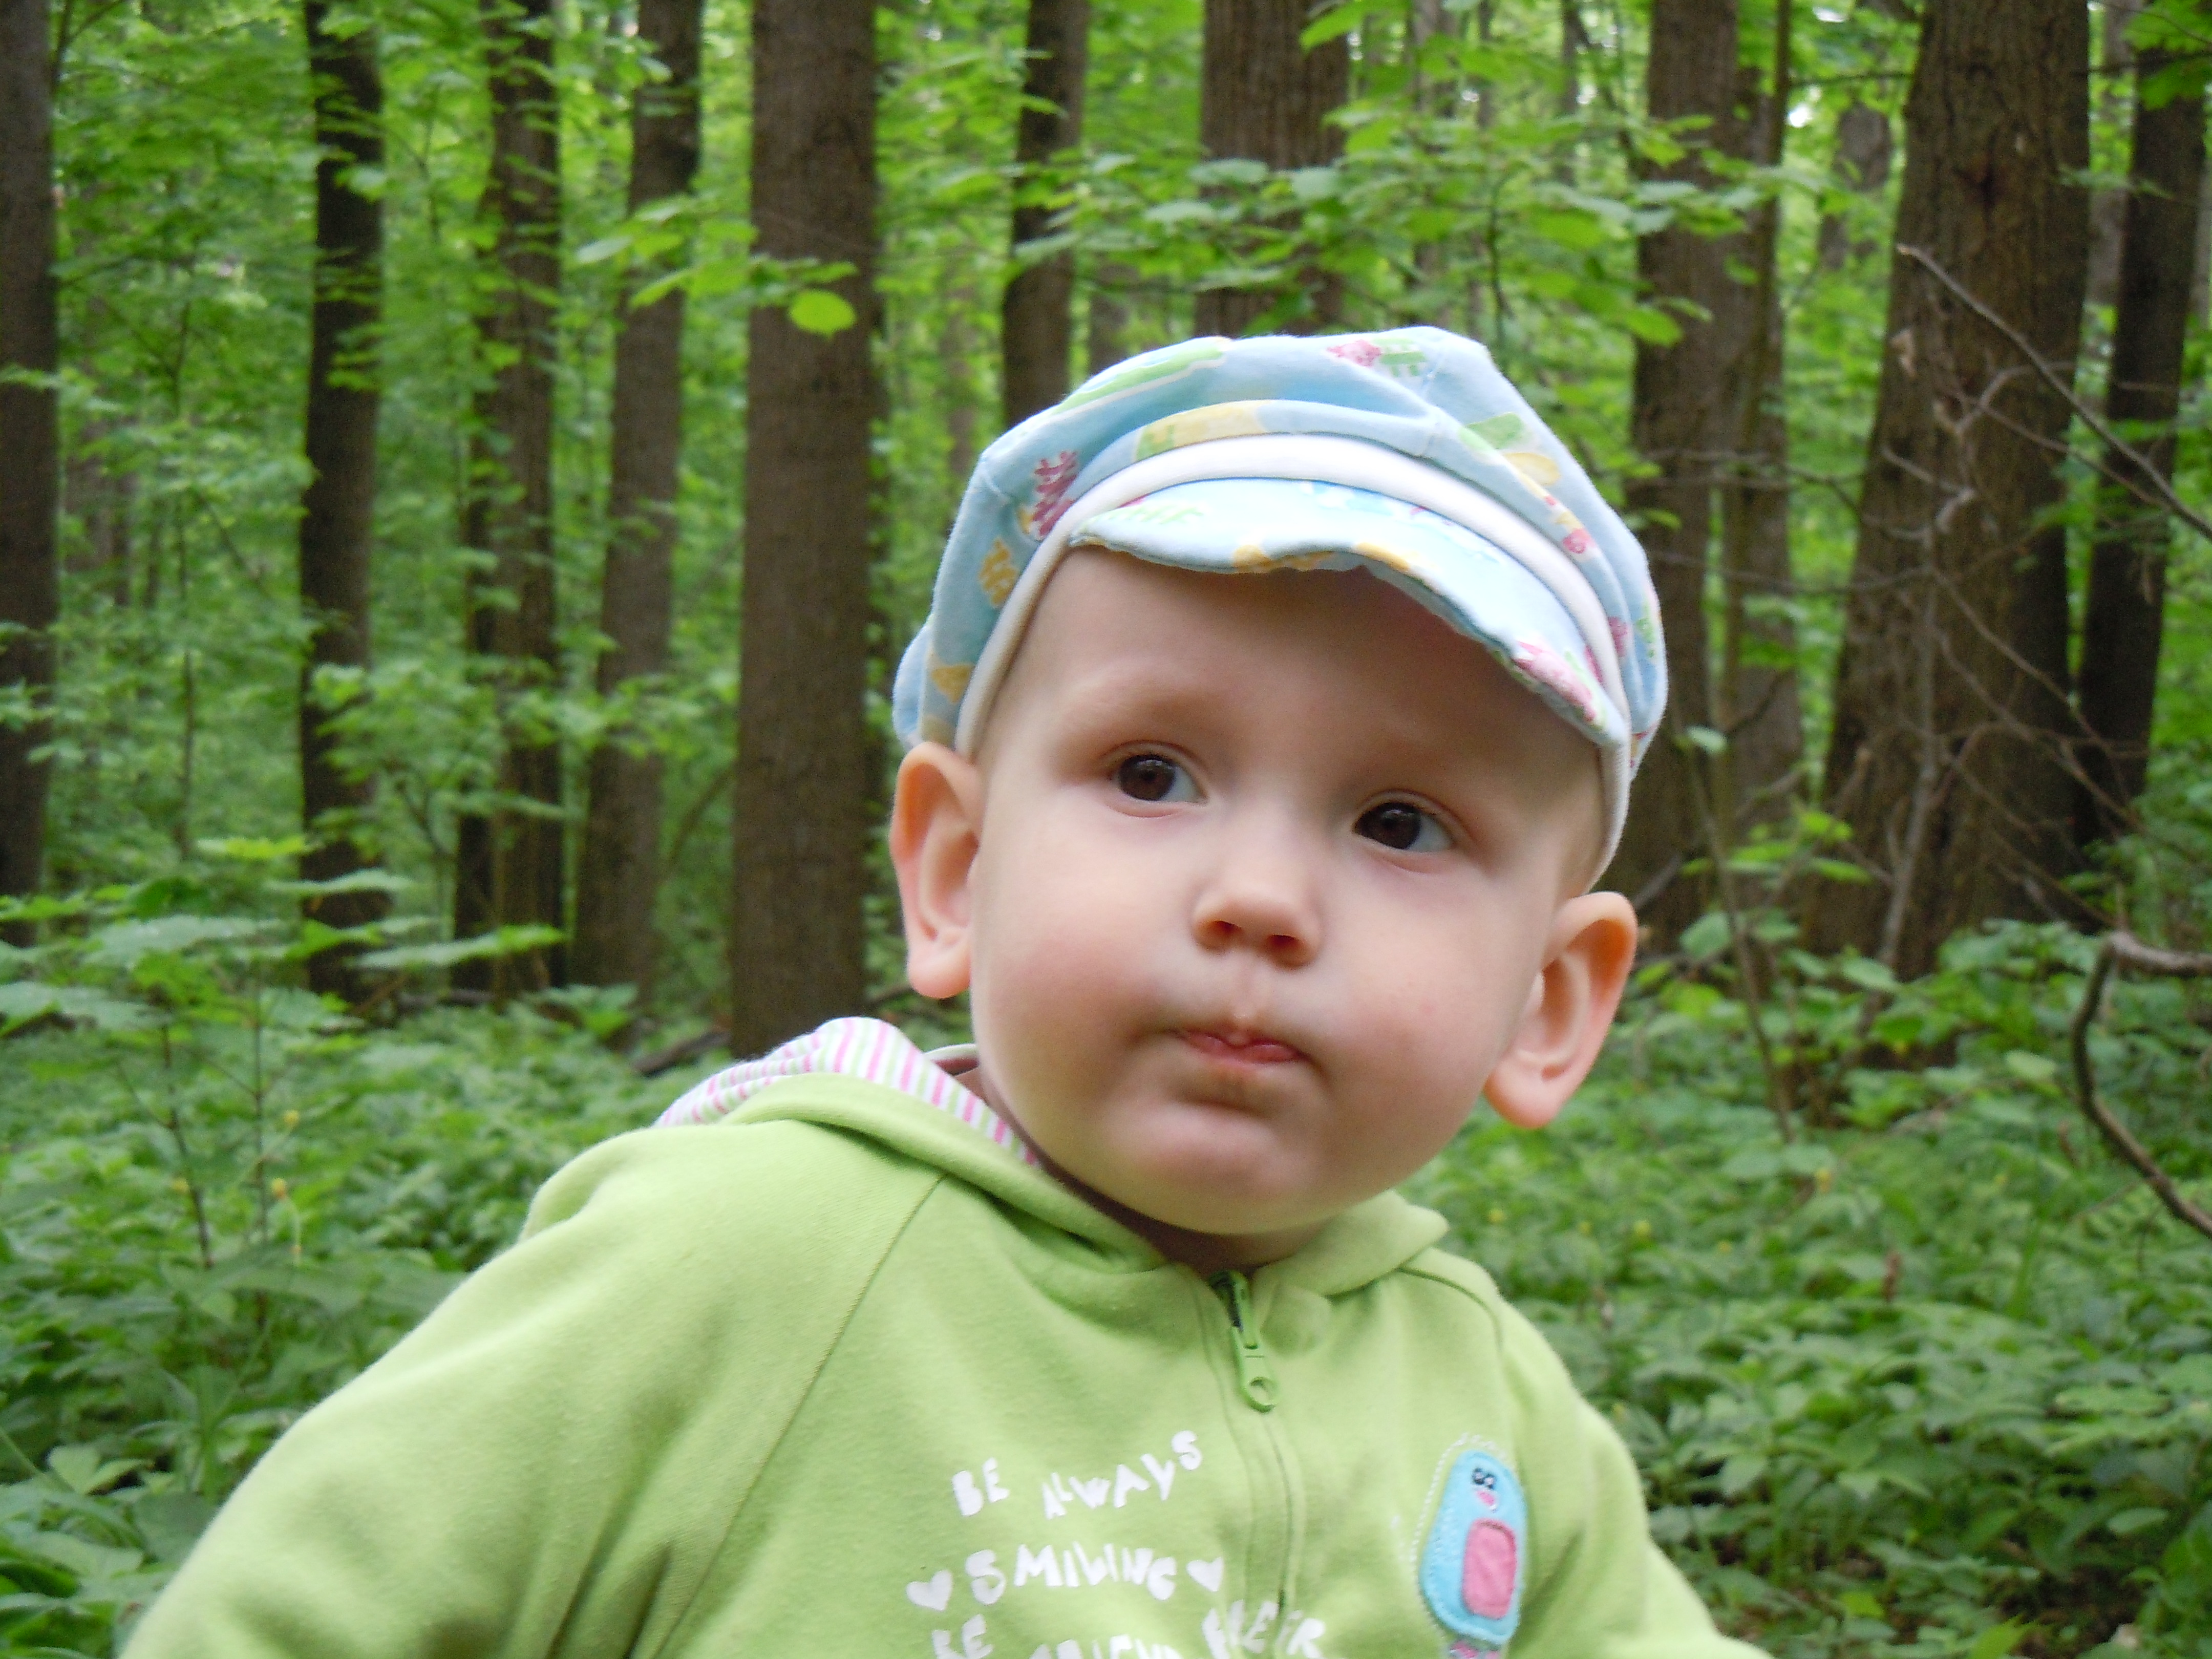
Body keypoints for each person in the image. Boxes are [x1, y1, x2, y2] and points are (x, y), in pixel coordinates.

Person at [126, 328, 1759, 1659]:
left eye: (1400, 824)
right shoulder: (745, 1262)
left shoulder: (1481, 1395)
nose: (1260, 897)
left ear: (1550, 1002)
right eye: (1153, 772)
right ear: (957, 870)